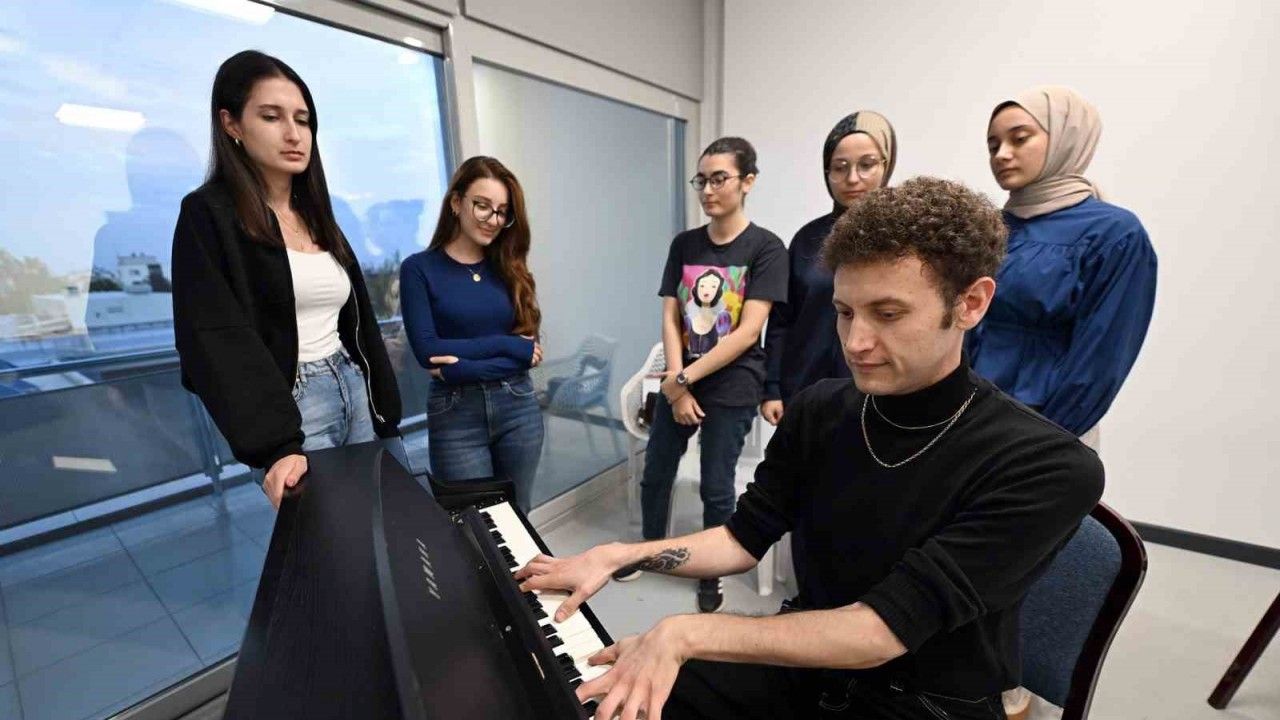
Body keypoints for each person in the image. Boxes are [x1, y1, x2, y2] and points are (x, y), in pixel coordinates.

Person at [515, 177, 1103, 720]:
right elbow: (741, 539)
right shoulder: (822, 408)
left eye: (888, 314)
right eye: (844, 313)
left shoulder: (1045, 465)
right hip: (809, 670)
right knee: (607, 700)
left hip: (922, 702)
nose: (856, 342)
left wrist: (686, 632)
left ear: (970, 303)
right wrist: (621, 555)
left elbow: (879, 632)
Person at [172, 51, 402, 509]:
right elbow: (211, 339)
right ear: (231, 124)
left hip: (353, 386)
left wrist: (383, 405)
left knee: (381, 526)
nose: (294, 134)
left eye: (303, 119)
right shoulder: (208, 214)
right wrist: (276, 444)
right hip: (294, 407)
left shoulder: (316, 214)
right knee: (328, 541)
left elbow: (356, 322)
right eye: (271, 117)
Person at [618, 137, 788, 614]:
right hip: (679, 379)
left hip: (733, 384)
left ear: (747, 181)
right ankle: (649, 550)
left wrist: (682, 381)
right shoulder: (685, 244)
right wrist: (675, 383)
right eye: (702, 180)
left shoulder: (766, 247)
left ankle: (709, 571)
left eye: (719, 179)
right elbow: (671, 315)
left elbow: (748, 331)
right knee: (657, 473)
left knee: (716, 486)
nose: (708, 190)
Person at [968, 85, 1157, 445]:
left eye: (1019, 139)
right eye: (993, 146)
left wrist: (1046, 441)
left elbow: (1101, 359)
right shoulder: (990, 227)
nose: (1002, 155)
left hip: (1047, 430)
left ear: (1064, 140)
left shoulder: (1115, 233)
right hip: (969, 421)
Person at [399, 156, 544, 511]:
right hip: (455, 414)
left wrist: (458, 367)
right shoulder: (418, 269)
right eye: (482, 205)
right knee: (469, 523)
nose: (493, 220)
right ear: (456, 202)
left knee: (518, 515)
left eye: (502, 212)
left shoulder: (510, 268)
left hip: (518, 406)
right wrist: (509, 347)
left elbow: (531, 350)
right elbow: (427, 351)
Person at [760, 110, 896, 426]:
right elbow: (782, 319)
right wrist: (772, 388)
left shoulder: (903, 241)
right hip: (804, 387)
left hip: (879, 391)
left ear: (886, 166)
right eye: (840, 167)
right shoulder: (807, 239)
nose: (852, 178)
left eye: (866, 165)